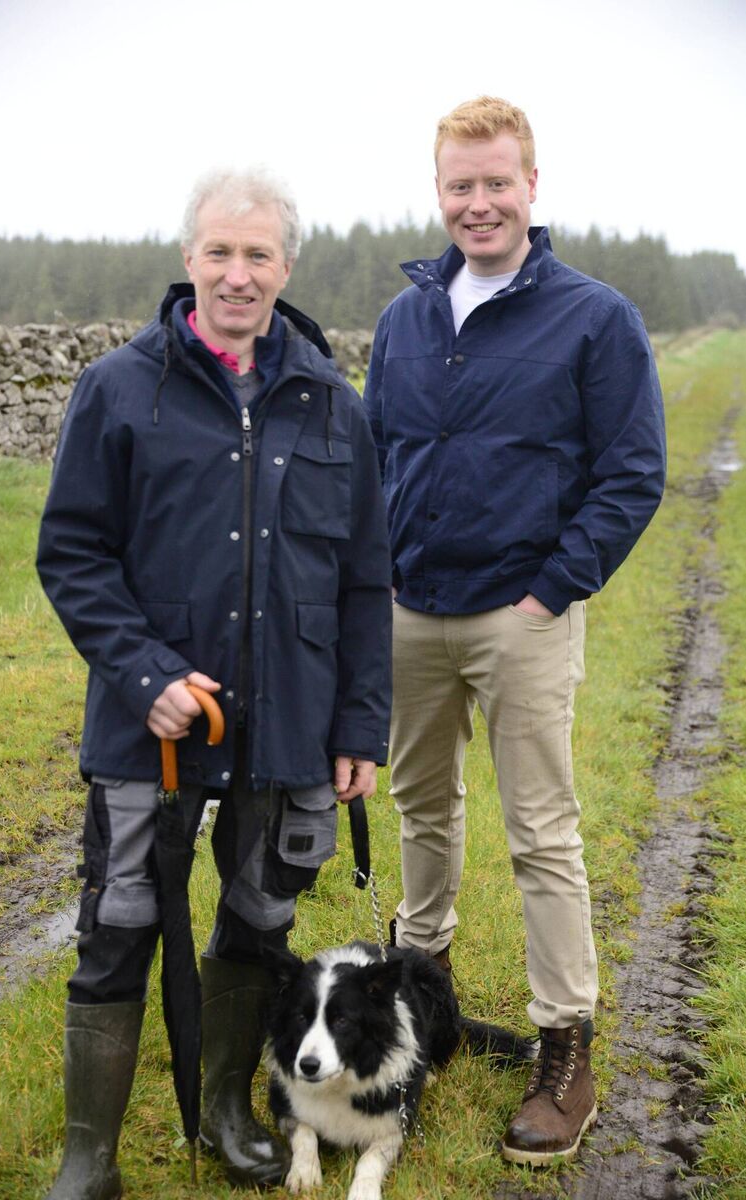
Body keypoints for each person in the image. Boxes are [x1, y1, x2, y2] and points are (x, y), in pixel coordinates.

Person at [37, 167, 392, 1198]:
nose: (238, 274)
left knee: (259, 923)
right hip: (147, 726)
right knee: (117, 926)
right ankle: (89, 1157)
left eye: (258, 254)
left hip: (290, 726)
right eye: (220, 252)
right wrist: (144, 672)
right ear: (189, 257)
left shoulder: (334, 407)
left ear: (287, 264)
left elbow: (365, 580)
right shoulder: (118, 388)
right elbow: (72, 552)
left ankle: (232, 1115)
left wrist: (359, 725)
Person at [364, 96, 665, 1167]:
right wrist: (372, 582)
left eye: (497, 182)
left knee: (542, 833)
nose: (479, 202)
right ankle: (423, 1002)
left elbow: (631, 473)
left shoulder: (594, 318)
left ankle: (563, 1048)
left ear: (531, 186)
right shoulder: (404, 320)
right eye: (461, 185)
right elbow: (375, 460)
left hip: (521, 615)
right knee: (420, 810)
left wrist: (551, 592)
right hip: (409, 612)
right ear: (439, 191)